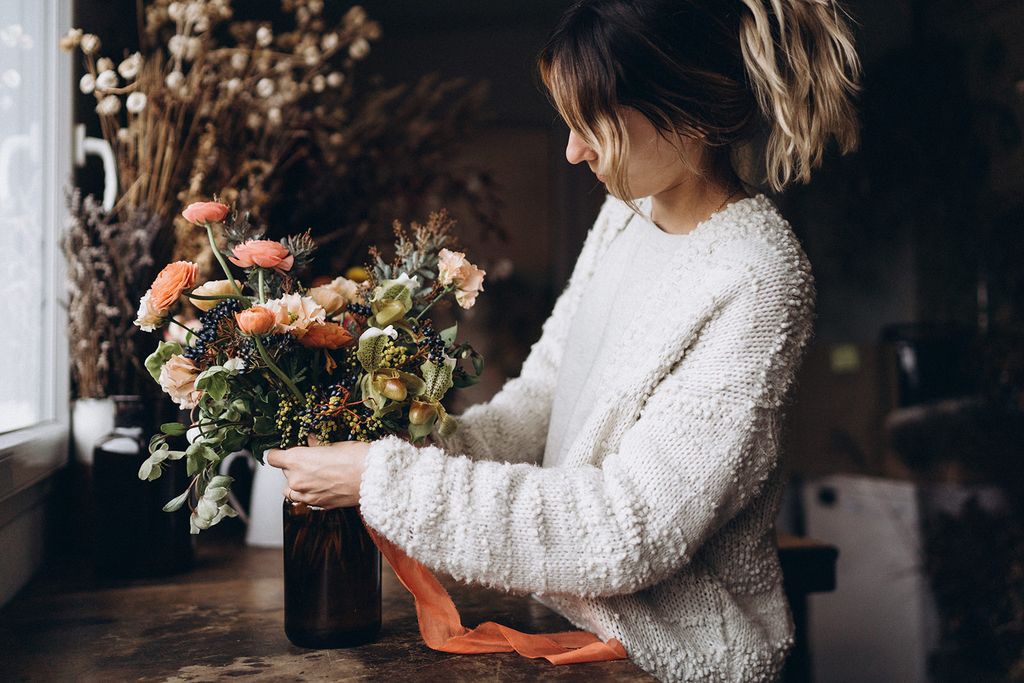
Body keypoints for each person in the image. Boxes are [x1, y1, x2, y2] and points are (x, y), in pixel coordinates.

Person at [267, 1, 861, 680]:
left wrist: (383, 480)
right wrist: (413, 446)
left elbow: (631, 530)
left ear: (688, 113)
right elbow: (546, 395)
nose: (573, 150)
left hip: (674, 659)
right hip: (569, 618)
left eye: (592, 125)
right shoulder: (626, 215)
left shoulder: (758, 277)